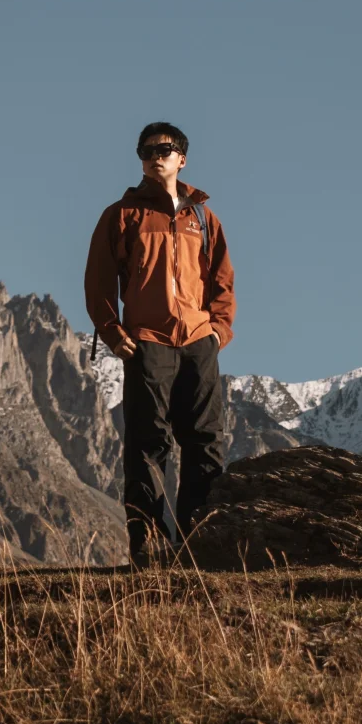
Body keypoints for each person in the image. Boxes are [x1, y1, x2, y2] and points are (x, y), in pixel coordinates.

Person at [84, 123, 236, 564]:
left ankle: (199, 548)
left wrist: (218, 331)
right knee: (148, 444)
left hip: (198, 342)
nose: (155, 156)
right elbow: (98, 280)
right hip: (147, 342)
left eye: (164, 149)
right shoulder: (122, 214)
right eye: (146, 150)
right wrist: (113, 333)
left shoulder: (203, 218)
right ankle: (149, 551)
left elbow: (222, 279)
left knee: (205, 442)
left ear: (182, 158)